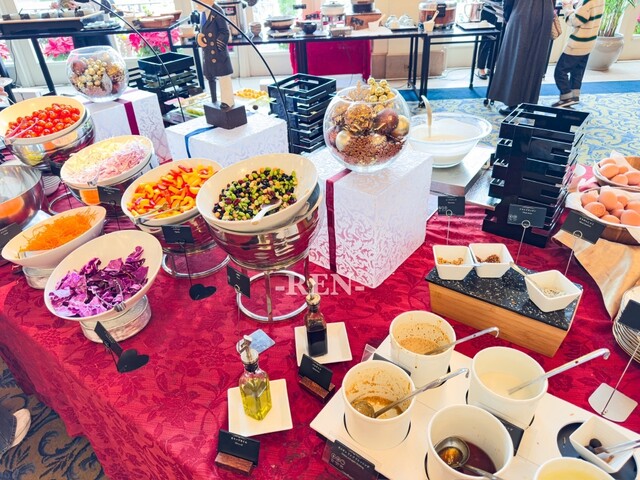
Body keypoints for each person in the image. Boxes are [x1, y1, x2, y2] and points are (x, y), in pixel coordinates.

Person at [486, 0, 554, 115]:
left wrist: (507, 15)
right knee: (536, 58)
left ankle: (512, 103)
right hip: (546, 12)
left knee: (515, 55)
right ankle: (530, 104)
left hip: (523, 10)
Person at [551, 0, 605, 107]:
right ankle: (574, 96)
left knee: (560, 71)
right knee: (577, 71)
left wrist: (568, 8)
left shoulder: (588, 1)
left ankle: (566, 97)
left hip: (578, 43)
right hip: (589, 42)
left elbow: (576, 20)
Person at [197, 0, 235, 108]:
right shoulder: (203, 13)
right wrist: (198, 37)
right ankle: (213, 99)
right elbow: (201, 30)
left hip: (218, 52)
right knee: (210, 76)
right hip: (207, 51)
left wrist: (218, 46)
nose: (197, 5)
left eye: (199, 2)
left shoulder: (217, 11)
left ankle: (227, 101)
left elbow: (224, 31)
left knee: (224, 77)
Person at [475, 0, 504, 80]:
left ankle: (490, 67)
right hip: (489, 10)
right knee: (486, 42)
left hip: (502, 12)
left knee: (497, 43)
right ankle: (481, 68)